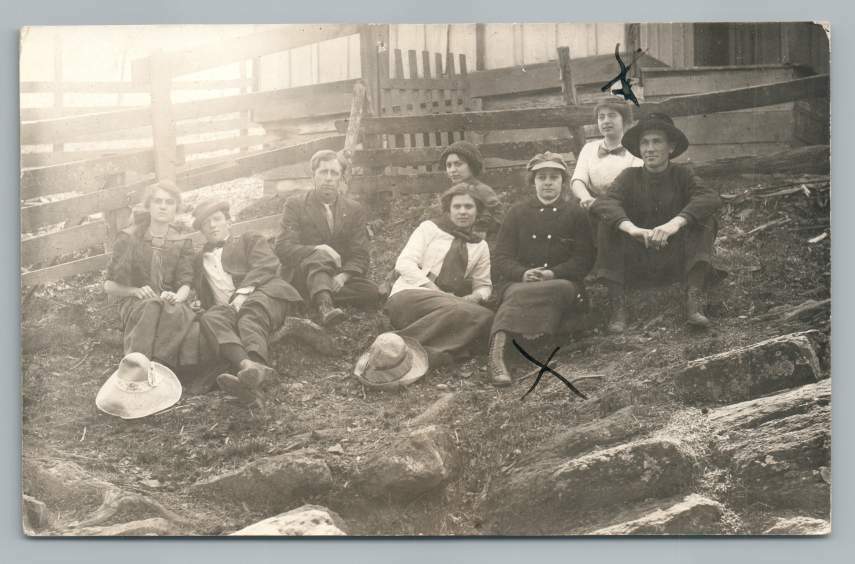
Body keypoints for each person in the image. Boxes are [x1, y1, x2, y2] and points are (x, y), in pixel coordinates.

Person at [590, 112, 723, 333]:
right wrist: (632, 229)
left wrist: (674, 224)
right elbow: (604, 203)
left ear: (671, 147)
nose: (649, 148)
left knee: (706, 218)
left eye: (656, 141)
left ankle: (694, 300)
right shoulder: (628, 177)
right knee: (608, 222)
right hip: (636, 264)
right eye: (644, 142)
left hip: (676, 263)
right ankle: (617, 306)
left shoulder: (683, 175)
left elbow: (709, 197)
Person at [192, 200, 325, 407]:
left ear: (228, 220)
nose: (212, 226)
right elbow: (197, 291)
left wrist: (242, 295)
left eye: (216, 219)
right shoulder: (198, 260)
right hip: (227, 308)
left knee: (249, 315)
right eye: (205, 223)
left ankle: (256, 370)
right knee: (210, 317)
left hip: (265, 293)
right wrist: (197, 303)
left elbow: (266, 264)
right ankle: (249, 368)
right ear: (201, 230)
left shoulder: (249, 238)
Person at [489, 152, 595, 386]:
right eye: (541, 177)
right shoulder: (517, 213)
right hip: (521, 282)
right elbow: (502, 257)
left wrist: (553, 273)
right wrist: (522, 273)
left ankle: (536, 344)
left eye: (554, 177)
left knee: (558, 289)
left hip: (562, 282)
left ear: (562, 182)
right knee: (514, 293)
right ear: (533, 182)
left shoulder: (576, 214)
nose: (547, 182)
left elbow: (584, 259)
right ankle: (497, 357)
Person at [384, 183, 494, 369]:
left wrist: (475, 296)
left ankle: (425, 354)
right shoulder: (430, 229)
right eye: (457, 206)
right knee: (472, 315)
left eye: (469, 207)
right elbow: (405, 263)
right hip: (411, 296)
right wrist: (435, 290)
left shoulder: (480, 245)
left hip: (448, 306)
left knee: (485, 315)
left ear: (477, 211)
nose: (462, 211)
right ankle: (395, 346)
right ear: (448, 210)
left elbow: (484, 285)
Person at [274, 150, 381, 326]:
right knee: (319, 255)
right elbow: (283, 247)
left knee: (371, 292)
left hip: (335, 275)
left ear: (341, 178)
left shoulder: (354, 209)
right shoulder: (295, 204)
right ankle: (325, 306)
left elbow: (360, 253)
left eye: (334, 173)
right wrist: (318, 249)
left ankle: (315, 295)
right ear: (313, 176)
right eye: (323, 172)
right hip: (303, 273)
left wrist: (343, 277)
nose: (329, 178)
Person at [104, 181, 197, 371]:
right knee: (152, 306)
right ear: (148, 205)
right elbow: (109, 285)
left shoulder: (182, 241)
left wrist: (177, 296)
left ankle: (161, 370)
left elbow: (185, 282)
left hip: (170, 303)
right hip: (136, 304)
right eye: (157, 201)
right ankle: (135, 369)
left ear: (176, 208)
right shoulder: (129, 238)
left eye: (169, 202)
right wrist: (135, 290)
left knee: (184, 317)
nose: (163, 206)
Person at [569, 98, 642, 209]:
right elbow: (578, 179)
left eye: (612, 116)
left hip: (627, 208)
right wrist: (585, 197)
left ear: (624, 119)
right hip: (593, 206)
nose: (606, 121)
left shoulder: (635, 149)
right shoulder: (589, 148)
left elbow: (634, 185)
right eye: (601, 117)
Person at [439, 141, 504, 238]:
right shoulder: (452, 192)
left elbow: (500, 218)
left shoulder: (482, 190)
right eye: (449, 165)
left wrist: (482, 227)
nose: (452, 170)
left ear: (471, 165)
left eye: (458, 164)